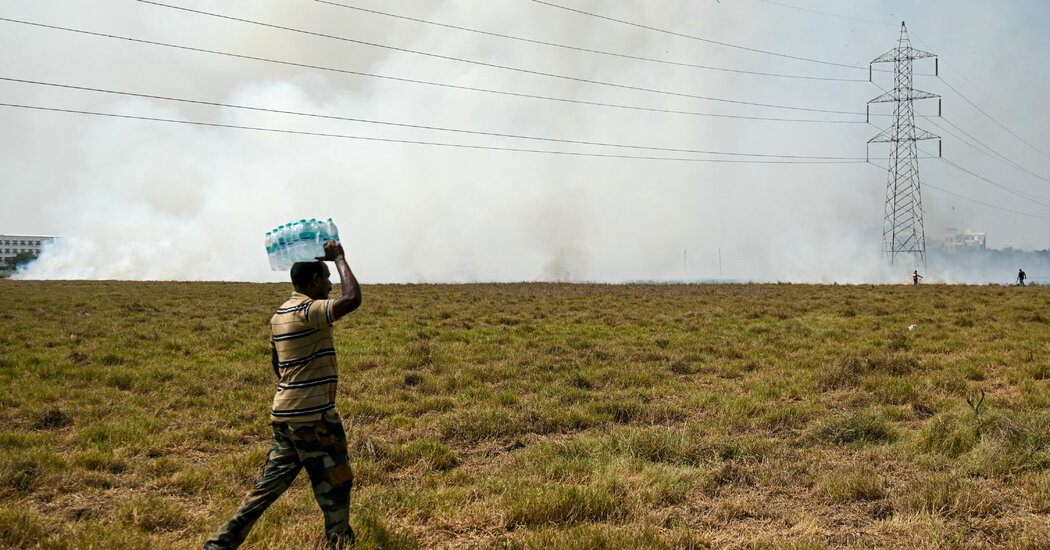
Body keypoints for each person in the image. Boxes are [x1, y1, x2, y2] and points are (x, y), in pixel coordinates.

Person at [204, 240, 362, 549]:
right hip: (314, 418)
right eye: (326, 278)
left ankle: (218, 544)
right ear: (315, 280)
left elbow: (277, 363)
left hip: (284, 417)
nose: (330, 285)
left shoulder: (279, 315)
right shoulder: (308, 310)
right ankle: (341, 542)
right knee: (336, 486)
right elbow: (352, 298)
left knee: (265, 490)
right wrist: (340, 258)